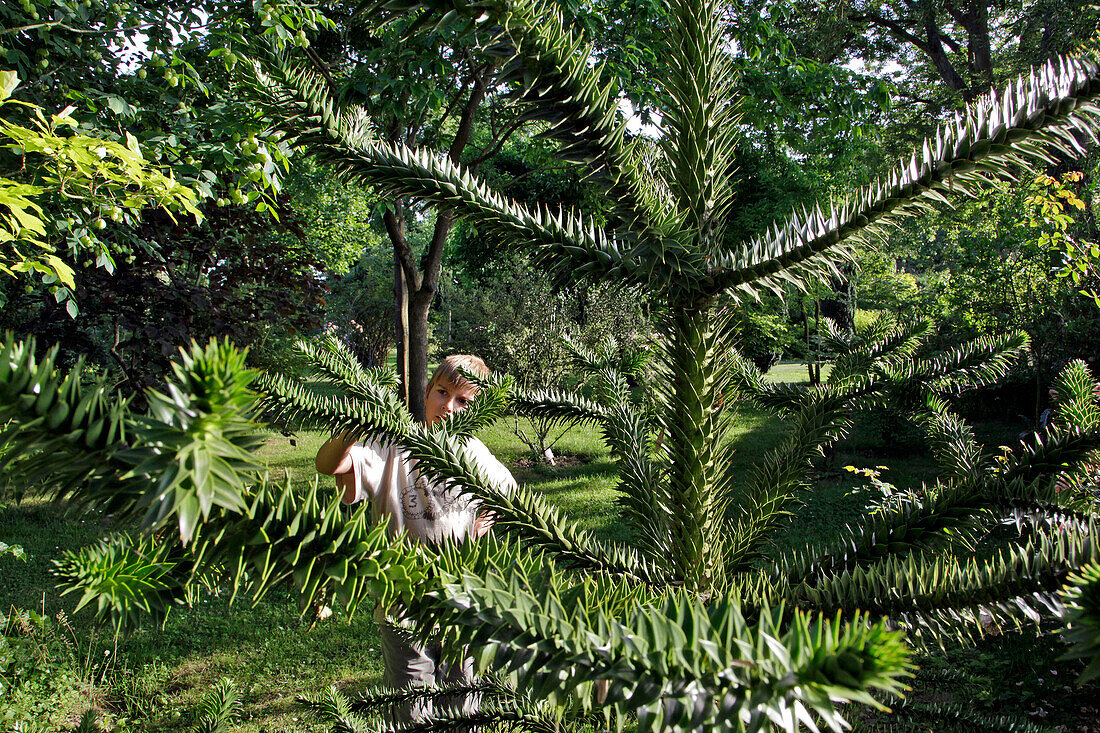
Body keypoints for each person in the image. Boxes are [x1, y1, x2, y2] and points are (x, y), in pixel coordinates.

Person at [314, 354, 515, 718]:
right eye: (442, 392)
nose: (449, 407)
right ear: (425, 393)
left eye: (464, 400)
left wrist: (488, 515)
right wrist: (357, 422)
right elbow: (330, 465)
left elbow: (509, 491)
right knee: (409, 707)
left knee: (464, 705)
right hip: (403, 606)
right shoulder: (393, 447)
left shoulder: (476, 455)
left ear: (479, 410)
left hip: (463, 603)